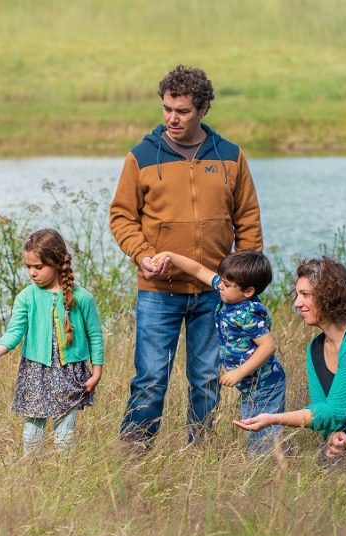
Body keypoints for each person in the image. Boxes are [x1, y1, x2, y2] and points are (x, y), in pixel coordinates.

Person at [109, 64, 263, 447]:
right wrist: (142, 254)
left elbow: (247, 220)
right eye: (166, 109)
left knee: (207, 377)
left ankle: (200, 452)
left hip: (215, 291)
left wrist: (245, 282)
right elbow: (122, 217)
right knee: (149, 379)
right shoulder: (141, 156)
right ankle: (134, 452)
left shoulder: (230, 156)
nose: (171, 119)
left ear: (203, 109)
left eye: (182, 111)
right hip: (157, 291)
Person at [235, 258, 346, 461]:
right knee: (327, 456)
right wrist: (333, 435)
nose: (297, 303)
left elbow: (335, 411)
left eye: (305, 295)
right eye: (297, 295)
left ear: (329, 296)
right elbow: (323, 411)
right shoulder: (315, 349)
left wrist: (273, 419)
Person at [151, 249, 286, 453]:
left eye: (226, 285)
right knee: (256, 430)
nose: (220, 286)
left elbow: (268, 346)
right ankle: (277, 455)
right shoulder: (229, 291)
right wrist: (171, 255)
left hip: (265, 385)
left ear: (248, 291)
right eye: (221, 281)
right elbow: (198, 269)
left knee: (260, 436)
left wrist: (238, 373)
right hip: (250, 386)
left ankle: (270, 468)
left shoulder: (247, 314)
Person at [0, 229, 104, 454]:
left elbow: (95, 335)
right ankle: (31, 476)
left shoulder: (82, 297)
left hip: (71, 373)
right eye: (28, 267)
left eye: (38, 267)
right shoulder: (26, 297)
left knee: (64, 439)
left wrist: (97, 371)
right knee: (32, 434)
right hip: (36, 372)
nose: (32, 273)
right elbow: (14, 332)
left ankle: (65, 479)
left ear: (56, 263)